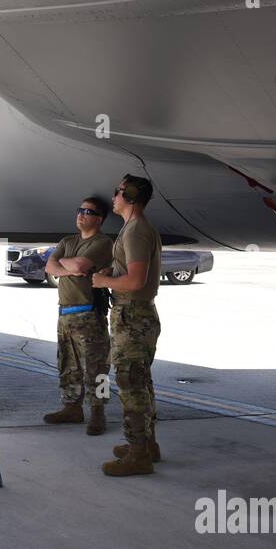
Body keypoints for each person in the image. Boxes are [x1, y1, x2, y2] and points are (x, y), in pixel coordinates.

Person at [91, 175, 163, 475]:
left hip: (132, 318)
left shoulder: (135, 232)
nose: (114, 197)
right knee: (141, 382)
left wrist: (103, 280)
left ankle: (138, 455)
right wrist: (114, 272)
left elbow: (135, 281)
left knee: (131, 384)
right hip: (135, 316)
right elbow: (131, 273)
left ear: (130, 196)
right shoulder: (134, 229)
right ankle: (147, 445)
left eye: (118, 192)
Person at [42, 196, 114, 435]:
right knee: (67, 365)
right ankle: (72, 408)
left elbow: (82, 265)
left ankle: (98, 412)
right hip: (65, 314)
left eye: (88, 212)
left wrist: (64, 264)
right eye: (80, 210)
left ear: (99, 219)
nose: (81, 214)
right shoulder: (67, 241)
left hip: (89, 314)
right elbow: (49, 267)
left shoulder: (103, 242)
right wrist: (66, 266)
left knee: (97, 368)